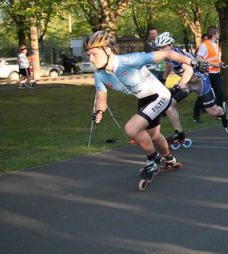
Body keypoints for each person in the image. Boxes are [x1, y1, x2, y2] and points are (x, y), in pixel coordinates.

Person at [85, 30, 204, 181]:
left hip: (159, 95)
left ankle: (153, 160)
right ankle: (168, 159)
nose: (91, 59)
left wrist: (194, 62)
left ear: (108, 50)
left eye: (94, 54)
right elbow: (101, 98)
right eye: (88, 55)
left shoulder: (130, 60)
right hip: (143, 99)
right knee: (153, 135)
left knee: (131, 128)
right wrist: (99, 111)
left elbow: (166, 54)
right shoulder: (100, 74)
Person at [155, 32, 228, 147]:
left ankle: (223, 113)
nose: (161, 50)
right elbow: (169, 66)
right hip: (188, 83)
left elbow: (188, 71)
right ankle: (179, 133)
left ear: (171, 45)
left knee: (212, 111)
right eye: (159, 48)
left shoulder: (177, 55)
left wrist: (178, 86)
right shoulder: (167, 56)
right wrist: (163, 79)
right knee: (169, 105)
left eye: (164, 47)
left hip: (200, 82)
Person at [194, 27, 225, 121]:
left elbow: (215, 58)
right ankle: (196, 115)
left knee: (220, 93)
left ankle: (219, 114)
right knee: (204, 94)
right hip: (207, 74)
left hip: (216, 73)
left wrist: (219, 63)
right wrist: (212, 64)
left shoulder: (216, 45)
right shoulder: (205, 45)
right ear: (213, 33)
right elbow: (198, 59)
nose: (219, 34)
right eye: (218, 33)